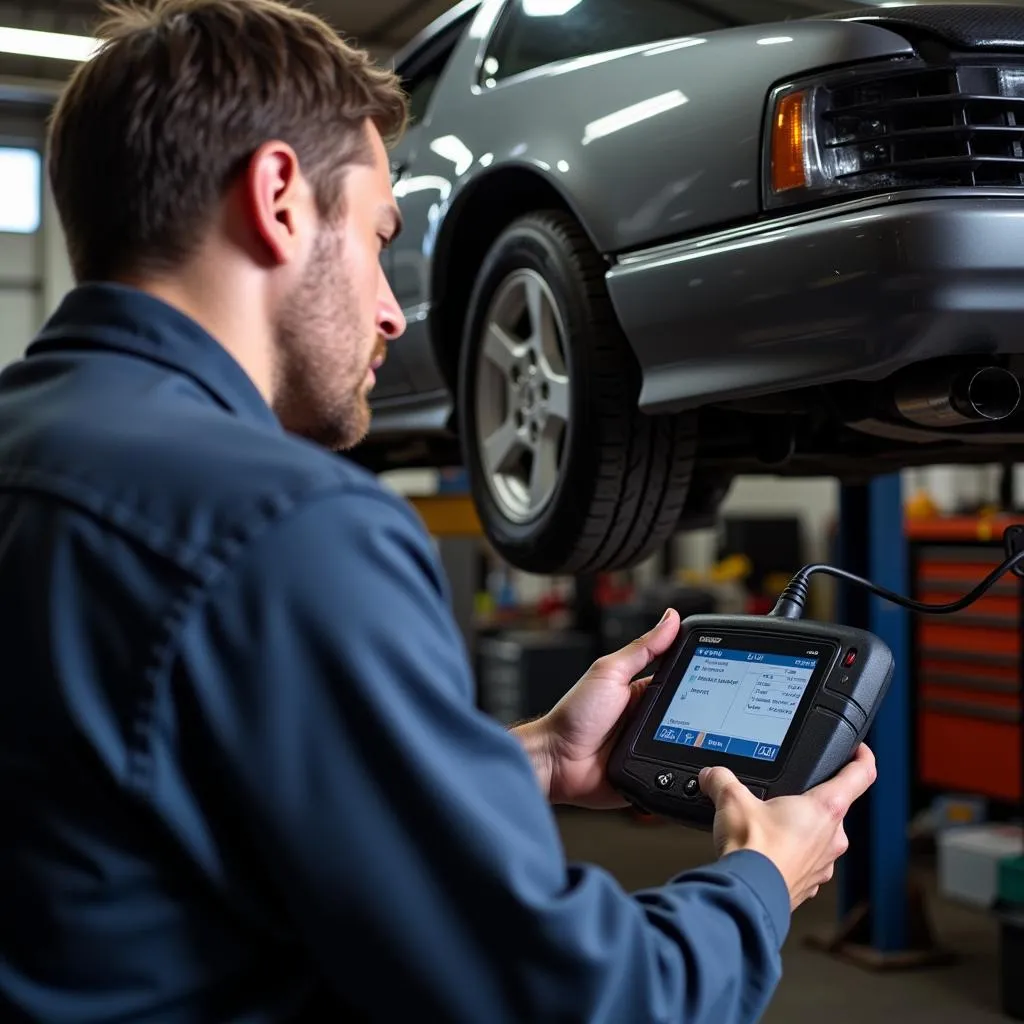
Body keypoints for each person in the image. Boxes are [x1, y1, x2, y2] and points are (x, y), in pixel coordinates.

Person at [0, 1, 876, 1021]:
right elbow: (567, 1000)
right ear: (279, 197)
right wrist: (759, 881)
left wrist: (531, 757)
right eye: (379, 238)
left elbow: (143, 793)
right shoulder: (289, 529)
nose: (387, 307)